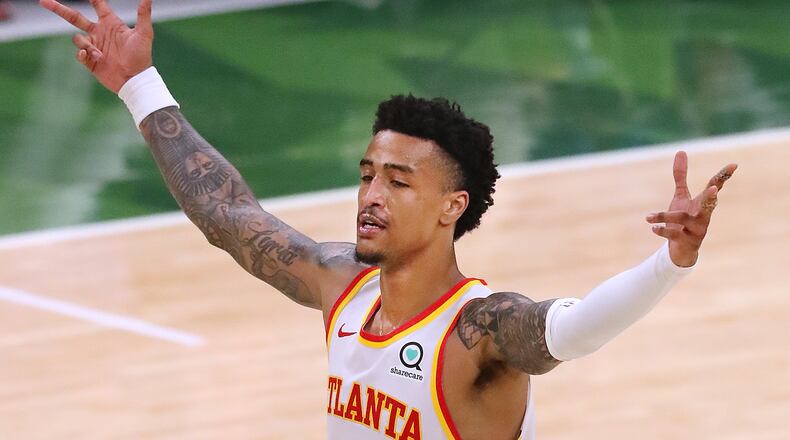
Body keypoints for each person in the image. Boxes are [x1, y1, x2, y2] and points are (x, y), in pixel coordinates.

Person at [40, 0, 737, 438]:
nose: (372, 193)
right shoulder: (340, 284)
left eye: (398, 181)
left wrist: (668, 263)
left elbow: (574, 330)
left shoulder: (480, 330)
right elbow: (227, 213)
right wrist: (140, 86)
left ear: (450, 208)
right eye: (368, 173)